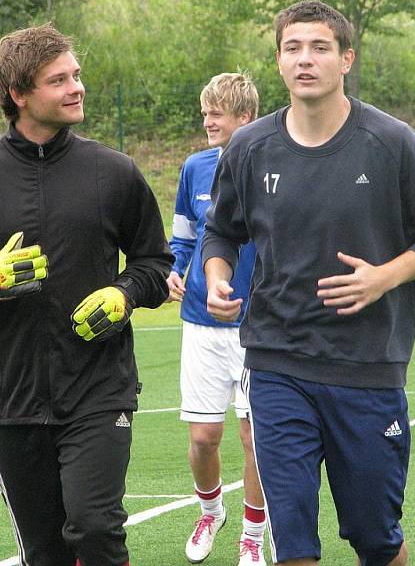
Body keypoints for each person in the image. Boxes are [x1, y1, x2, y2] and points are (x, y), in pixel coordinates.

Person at [201, 0, 415, 566]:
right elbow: (221, 232)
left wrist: (384, 277)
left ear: (346, 59)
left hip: (368, 367)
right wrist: (216, 278)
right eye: (292, 48)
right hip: (276, 364)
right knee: (293, 544)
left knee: (376, 539)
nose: (305, 60)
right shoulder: (248, 148)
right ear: (278, 61)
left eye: (320, 47)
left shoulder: (390, 141)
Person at [0, 23, 173, 566]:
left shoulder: (114, 172)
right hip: (11, 397)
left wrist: (124, 294)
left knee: (96, 529)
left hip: (99, 389)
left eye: (77, 75)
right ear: (18, 94)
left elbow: (156, 264)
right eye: (59, 80)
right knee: (45, 552)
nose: (77, 87)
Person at [166, 72, 267, 565]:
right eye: (205, 111)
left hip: (258, 328)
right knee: (204, 437)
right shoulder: (194, 168)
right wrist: (172, 269)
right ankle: (211, 510)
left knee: (254, 439)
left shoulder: (273, 164)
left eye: (217, 112)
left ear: (244, 118)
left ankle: (254, 533)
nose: (207, 120)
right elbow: (183, 236)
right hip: (200, 325)